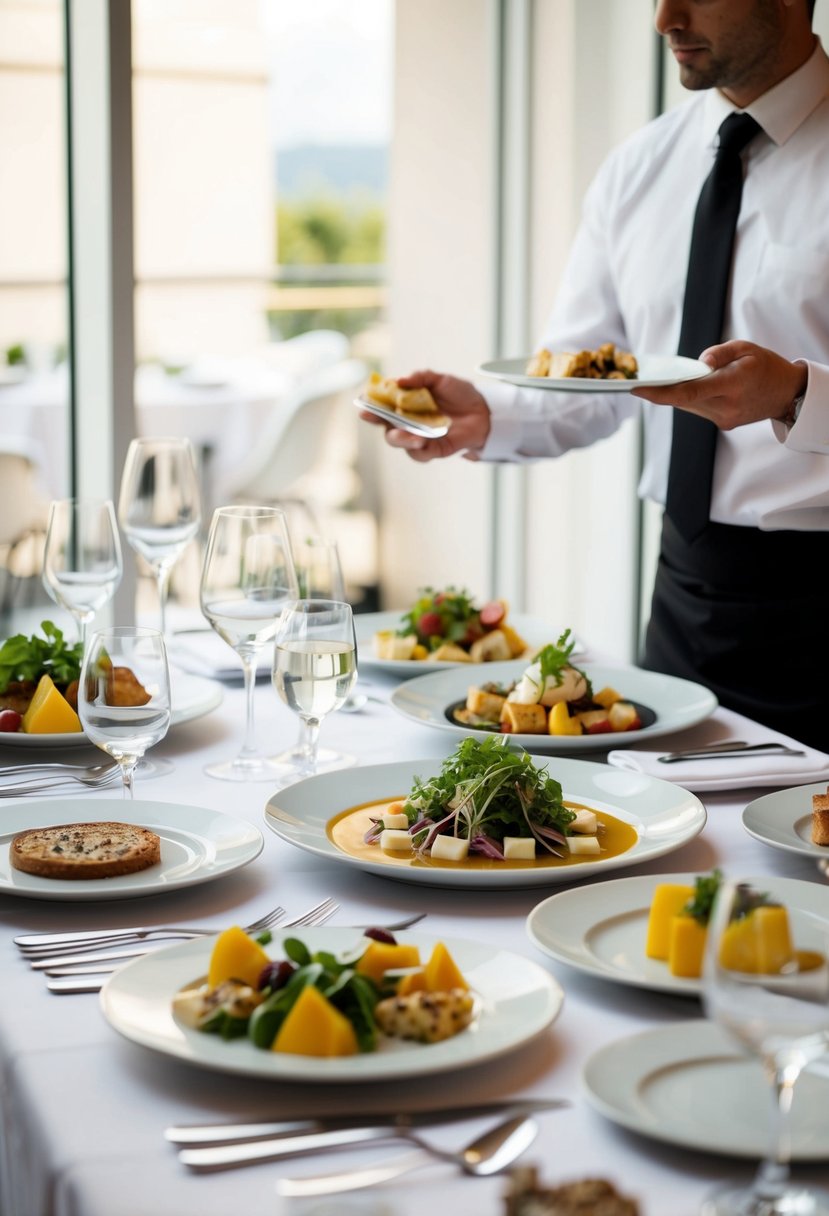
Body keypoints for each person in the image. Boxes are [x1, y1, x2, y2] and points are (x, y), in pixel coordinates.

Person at [365, 0, 829, 750]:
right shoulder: (640, 167)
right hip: (683, 600)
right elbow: (594, 373)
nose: (663, 19)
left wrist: (799, 394)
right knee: (690, 854)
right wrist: (482, 412)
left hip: (823, 601)